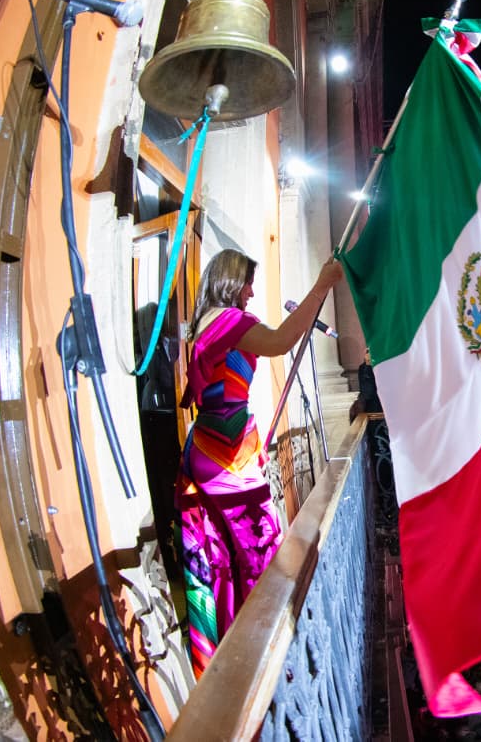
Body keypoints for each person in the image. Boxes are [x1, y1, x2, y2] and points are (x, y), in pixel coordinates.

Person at [175, 248, 344, 678]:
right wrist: (322, 285)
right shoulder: (231, 322)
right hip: (227, 461)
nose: (251, 292)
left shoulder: (204, 325)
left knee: (224, 560)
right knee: (261, 553)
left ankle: (235, 654)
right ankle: (264, 657)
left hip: (209, 449)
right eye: (247, 282)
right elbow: (282, 340)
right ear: (231, 282)